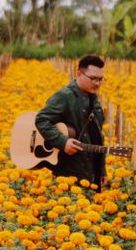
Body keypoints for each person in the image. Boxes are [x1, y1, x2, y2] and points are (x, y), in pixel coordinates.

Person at [35, 55, 107, 192]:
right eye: (93, 78)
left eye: (100, 79)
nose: (97, 83)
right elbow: (42, 119)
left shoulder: (93, 99)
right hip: (70, 174)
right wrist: (63, 142)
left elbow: (97, 137)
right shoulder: (65, 96)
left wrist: (102, 169)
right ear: (79, 73)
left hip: (92, 172)